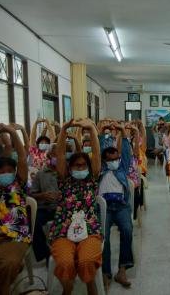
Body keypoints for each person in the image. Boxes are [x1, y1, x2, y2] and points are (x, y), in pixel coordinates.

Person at [48, 119, 102, 295]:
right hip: (63, 231)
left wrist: (92, 130)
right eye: (76, 165)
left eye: (83, 165)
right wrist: (63, 130)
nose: (80, 167)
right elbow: (61, 154)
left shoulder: (91, 180)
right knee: (65, 262)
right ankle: (67, 290)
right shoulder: (64, 181)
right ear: (69, 168)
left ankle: (91, 286)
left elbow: (96, 152)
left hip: (89, 229)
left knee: (86, 260)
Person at [0, 123, 30, 295]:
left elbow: (23, 158)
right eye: (1, 170)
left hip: (13, 236)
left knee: (10, 263)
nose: (5, 173)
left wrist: (11, 131)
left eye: (10, 170)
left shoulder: (19, 183)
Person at [99, 124, 134, 290]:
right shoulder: (100, 170)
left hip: (120, 206)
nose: (113, 161)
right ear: (104, 160)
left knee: (127, 230)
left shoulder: (122, 168)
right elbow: (99, 146)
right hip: (104, 208)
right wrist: (101, 131)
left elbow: (125, 149)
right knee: (103, 236)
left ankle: (122, 269)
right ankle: (106, 272)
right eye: (109, 159)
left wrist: (121, 130)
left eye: (115, 158)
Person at [30, 143, 60, 263]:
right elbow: (31, 195)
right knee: (32, 220)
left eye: (59, 154)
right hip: (44, 208)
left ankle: (61, 251)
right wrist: (42, 195)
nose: (56, 157)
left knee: (63, 224)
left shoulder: (65, 173)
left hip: (61, 208)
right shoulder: (41, 174)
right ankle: (45, 252)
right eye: (54, 154)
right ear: (49, 155)